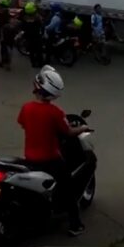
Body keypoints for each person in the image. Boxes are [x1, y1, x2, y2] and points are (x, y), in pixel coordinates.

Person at [16, 66, 90, 236]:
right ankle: (75, 225)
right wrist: (83, 127)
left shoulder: (26, 108)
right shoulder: (55, 112)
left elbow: (22, 124)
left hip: (29, 158)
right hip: (50, 160)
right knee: (68, 189)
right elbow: (68, 131)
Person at [20, 1, 45, 68]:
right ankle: (40, 64)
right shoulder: (37, 17)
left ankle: (33, 63)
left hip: (29, 37)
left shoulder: (25, 18)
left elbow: (23, 27)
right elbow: (41, 25)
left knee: (31, 51)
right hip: (37, 36)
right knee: (39, 51)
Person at [0, 0, 15, 70]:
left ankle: (3, 61)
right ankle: (8, 63)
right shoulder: (8, 11)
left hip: (3, 31)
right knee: (9, 46)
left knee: (3, 46)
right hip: (10, 30)